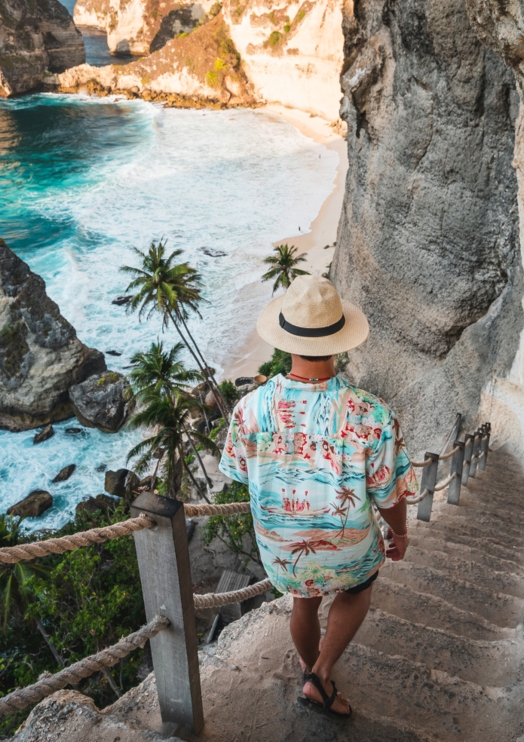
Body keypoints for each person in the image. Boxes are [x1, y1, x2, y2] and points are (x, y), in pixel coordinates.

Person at [219, 275, 418, 720]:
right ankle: (321, 673)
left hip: (282, 547)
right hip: (347, 545)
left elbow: (236, 472)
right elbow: (389, 493)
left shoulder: (248, 408)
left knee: (302, 600)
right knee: (360, 585)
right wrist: (400, 533)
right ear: (340, 341)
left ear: (286, 337)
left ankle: (312, 671)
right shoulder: (373, 414)